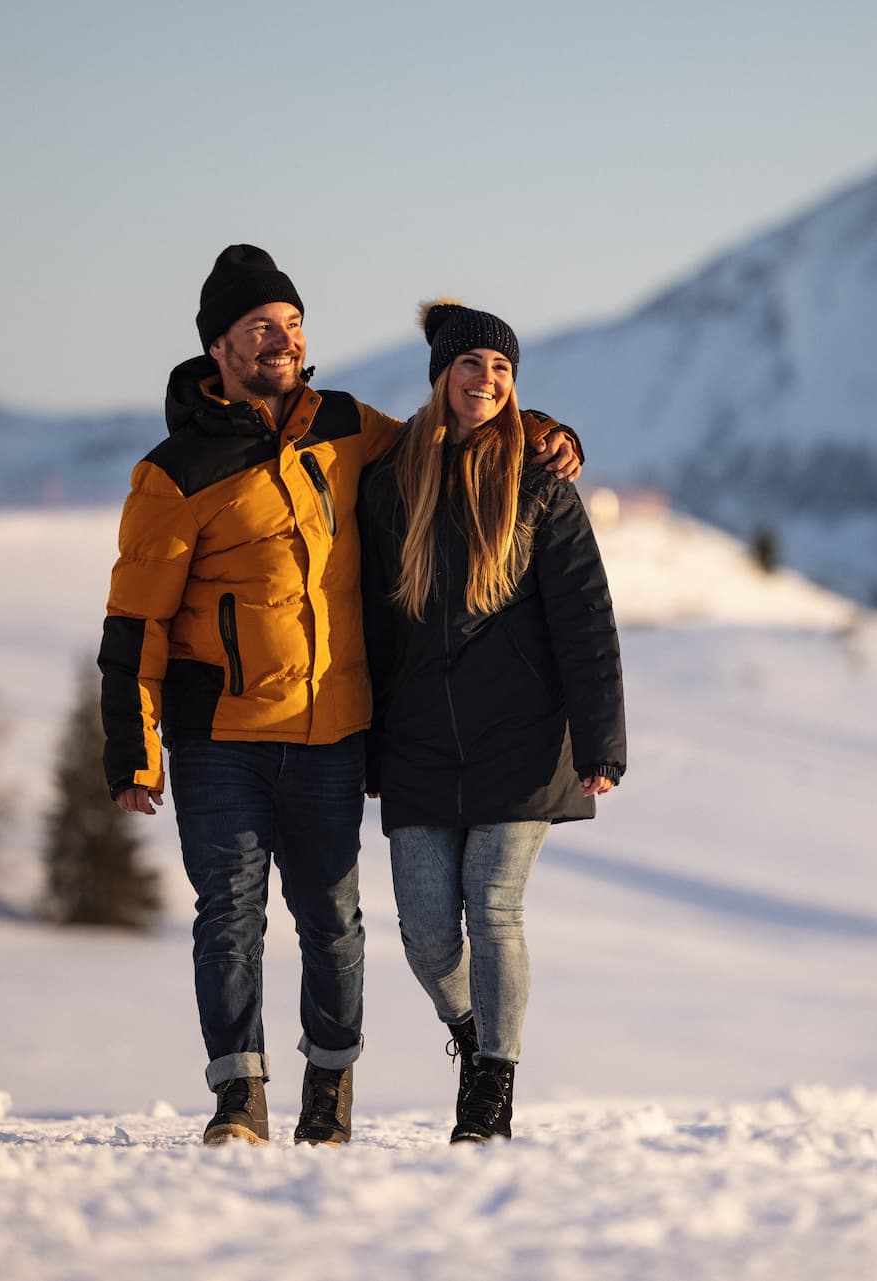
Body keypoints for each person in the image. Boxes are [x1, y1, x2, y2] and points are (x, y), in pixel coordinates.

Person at [98, 248, 580, 1147]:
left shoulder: (352, 427)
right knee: (229, 917)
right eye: (258, 328)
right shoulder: (173, 473)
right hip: (220, 736)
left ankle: (330, 1091)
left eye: (290, 322)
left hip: (330, 730)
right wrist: (134, 747)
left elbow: (459, 429)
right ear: (219, 347)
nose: (281, 340)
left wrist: (545, 428)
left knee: (333, 921)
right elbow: (135, 621)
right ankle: (238, 1099)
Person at [360, 300, 626, 1143]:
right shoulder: (388, 481)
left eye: (502, 370)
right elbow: (368, 619)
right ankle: (475, 1037)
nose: (486, 380)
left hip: (522, 739)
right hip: (418, 744)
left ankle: (491, 1093)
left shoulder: (541, 483)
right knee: (428, 931)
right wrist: (362, 744)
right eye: (472, 365)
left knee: (494, 907)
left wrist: (600, 741)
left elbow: (586, 615)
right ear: (441, 374)